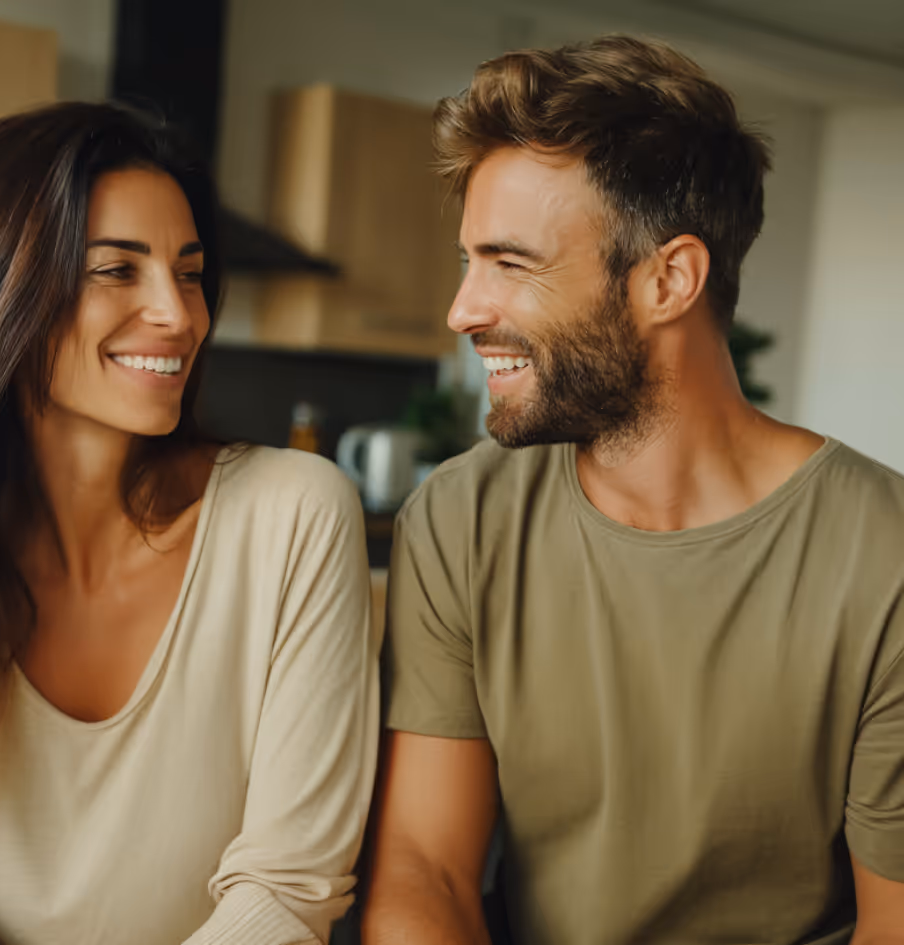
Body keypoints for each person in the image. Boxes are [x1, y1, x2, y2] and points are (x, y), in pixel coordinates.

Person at [364, 35, 904, 945]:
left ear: (670, 279)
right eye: (470, 261)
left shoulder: (884, 554)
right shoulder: (460, 520)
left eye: (511, 263)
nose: (464, 309)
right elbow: (424, 865)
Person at [0, 102, 380, 944]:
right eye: (117, 269)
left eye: (188, 273)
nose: (180, 315)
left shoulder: (293, 515)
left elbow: (287, 890)